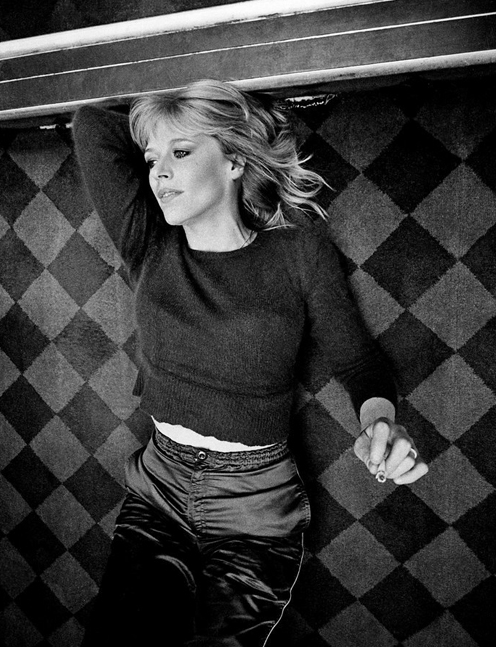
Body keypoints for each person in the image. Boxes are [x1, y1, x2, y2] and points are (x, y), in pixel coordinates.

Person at [73, 79, 428, 647]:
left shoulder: (299, 253)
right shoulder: (148, 241)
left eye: (181, 152)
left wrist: (380, 423)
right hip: (157, 489)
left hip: (255, 510)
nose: (159, 173)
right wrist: (168, 121)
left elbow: (361, 365)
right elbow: (92, 124)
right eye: (152, 159)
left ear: (235, 161)